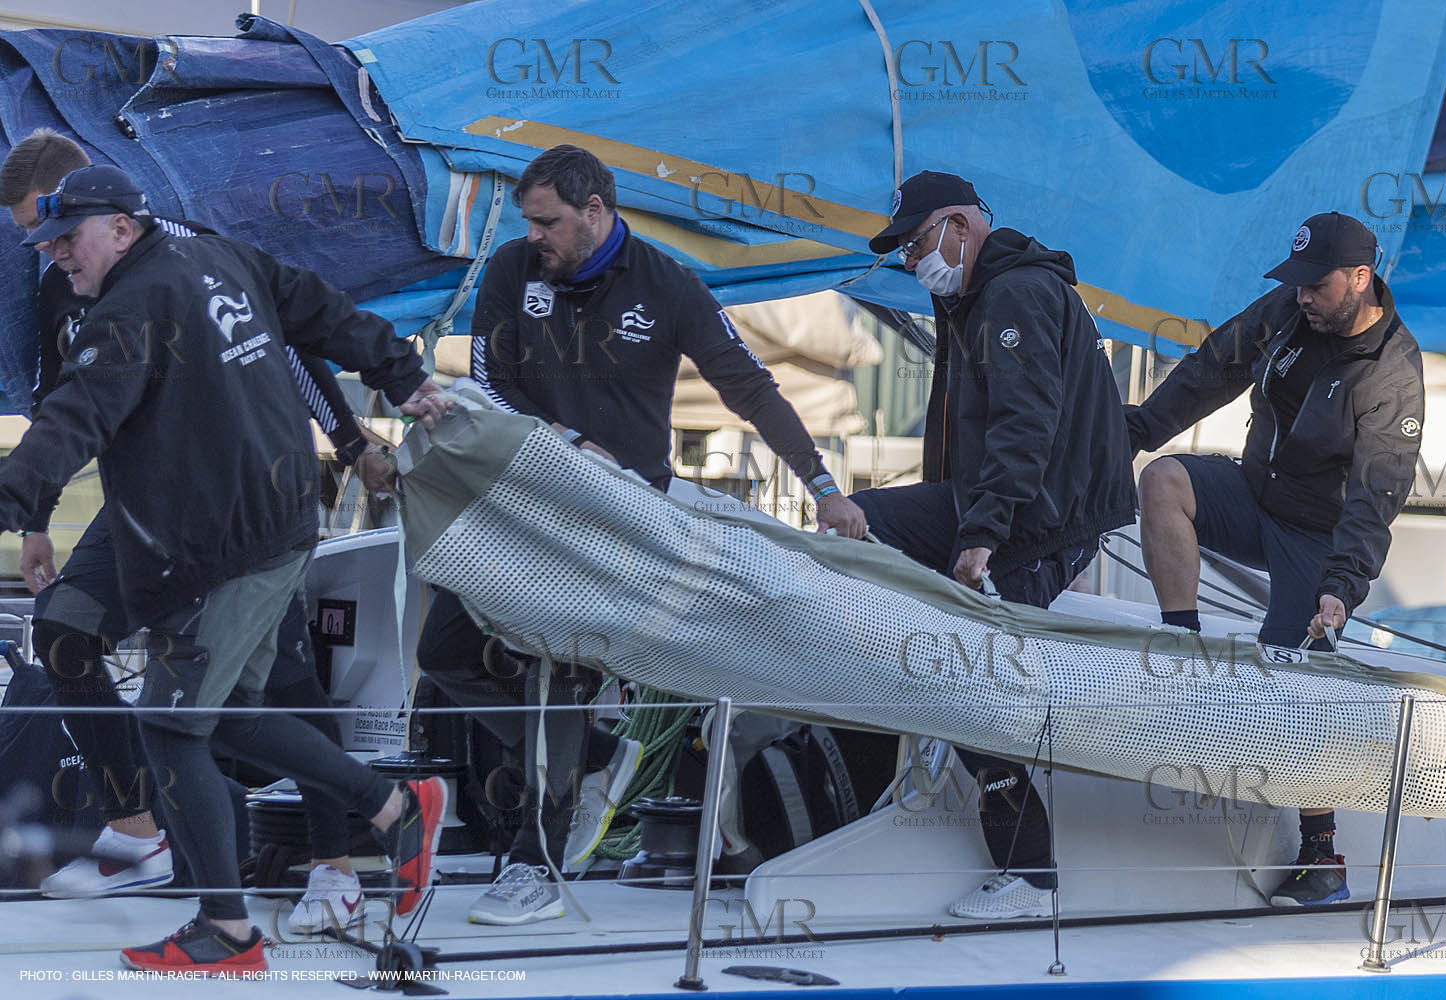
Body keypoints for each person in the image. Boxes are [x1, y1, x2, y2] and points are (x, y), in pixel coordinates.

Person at [0, 163, 450, 975]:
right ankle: (389, 805)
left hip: (226, 542)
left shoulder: (126, 309)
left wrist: (9, 499)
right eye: (48, 240)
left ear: (122, 227)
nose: (58, 254)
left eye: (69, 238)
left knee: (175, 726)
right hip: (254, 523)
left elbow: (72, 421)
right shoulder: (220, 254)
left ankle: (233, 932)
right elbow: (317, 307)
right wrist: (400, 371)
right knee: (220, 716)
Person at [422, 142, 865, 926]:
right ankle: (594, 756)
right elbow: (488, 379)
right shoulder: (511, 270)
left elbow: (748, 389)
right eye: (530, 221)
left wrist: (822, 487)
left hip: (614, 513)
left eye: (549, 222)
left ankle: (536, 864)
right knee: (444, 654)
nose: (535, 235)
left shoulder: (669, 285)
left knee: (554, 673)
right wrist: (561, 438)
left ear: (596, 212)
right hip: (520, 495)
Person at [857, 171, 1136, 919]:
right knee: (855, 524)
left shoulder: (1014, 295)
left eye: (917, 244)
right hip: (1002, 506)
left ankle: (1030, 877)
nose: (916, 262)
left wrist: (978, 537)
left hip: (1039, 522)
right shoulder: (973, 296)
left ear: (958, 225)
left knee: (967, 676)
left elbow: (1024, 425)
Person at [1128, 211, 1424, 906]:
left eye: (1315, 286)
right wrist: (1137, 431)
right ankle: (1182, 648)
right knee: (1162, 480)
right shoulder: (1294, 310)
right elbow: (1214, 367)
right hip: (1254, 493)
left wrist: (1342, 587)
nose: (1302, 297)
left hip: (1318, 537)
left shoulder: (1394, 375)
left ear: (1359, 279)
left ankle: (1321, 854)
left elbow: (1376, 493)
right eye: (1294, 284)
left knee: (1292, 680)